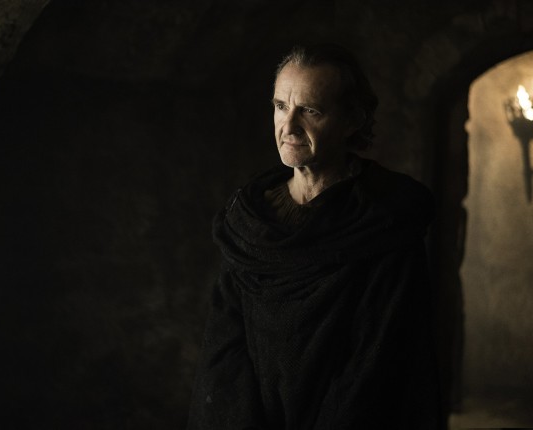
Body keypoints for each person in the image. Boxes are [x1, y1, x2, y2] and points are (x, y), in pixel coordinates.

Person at [187, 43, 441, 429]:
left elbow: (376, 366)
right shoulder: (250, 224)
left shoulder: (384, 222)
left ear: (352, 119)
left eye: (310, 110)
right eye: (280, 106)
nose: (288, 127)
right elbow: (224, 351)